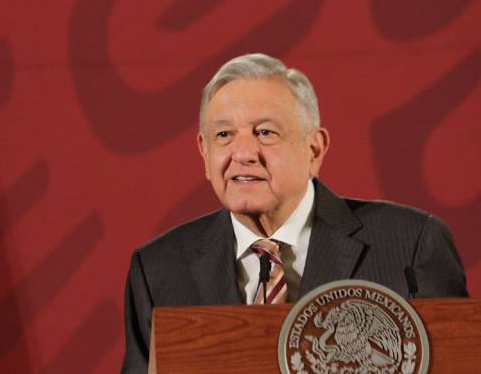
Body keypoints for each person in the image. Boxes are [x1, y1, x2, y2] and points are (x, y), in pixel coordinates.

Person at [121, 53, 468, 373]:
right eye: (224, 134)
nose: (243, 153)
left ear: (314, 150)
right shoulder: (158, 269)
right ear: (205, 152)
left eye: (265, 132)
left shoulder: (411, 244)